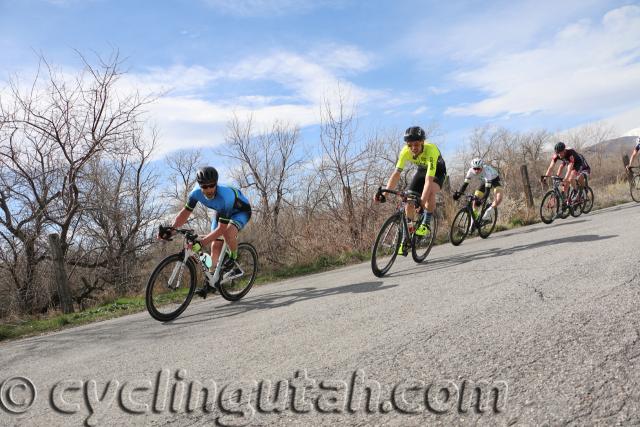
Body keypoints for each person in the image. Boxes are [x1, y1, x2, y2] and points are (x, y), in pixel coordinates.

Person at [158, 166, 252, 296]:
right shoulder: (195, 193)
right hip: (221, 211)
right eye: (204, 186)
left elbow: (222, 229)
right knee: (215, 245)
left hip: (240, 212)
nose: (208, 189)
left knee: (227, 233)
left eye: (212, 185)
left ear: (216, 183)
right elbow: (185, 213)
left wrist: (202, 243)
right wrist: (172, 229)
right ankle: (212, 281)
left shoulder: (225, 196)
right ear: (199, 185)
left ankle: (233, 257)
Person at [374, 126, 447, 255]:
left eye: (417, 144)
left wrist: (422, 202)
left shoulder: (431, 150)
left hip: (437, 173)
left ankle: (426, 223)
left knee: (429, 191)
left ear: (422, 142)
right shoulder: (405, 152)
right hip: (421, 171)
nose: (413, 148)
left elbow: (428, 182)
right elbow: (396, 174)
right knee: (408, 201)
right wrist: (384, 193)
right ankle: (406, 239)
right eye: (410, 145)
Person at [453, 158, 503, 223]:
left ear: (482, 167)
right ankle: (473, 221)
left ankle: (487, 214)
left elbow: (487, 191)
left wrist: (481, 200)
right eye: (475, 168)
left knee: (499, 198)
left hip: (494, 180)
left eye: (478, 168)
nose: (476, 171)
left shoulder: (487, 172)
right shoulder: (470, 171)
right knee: (475, 199)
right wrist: (459, 194)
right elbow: (465, 185)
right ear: (472, 168)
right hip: (485, 181)